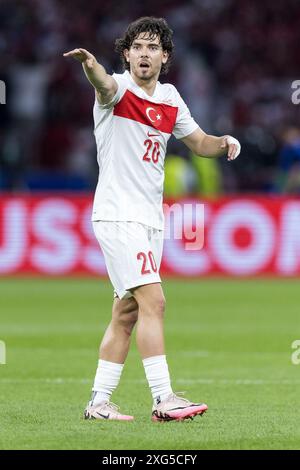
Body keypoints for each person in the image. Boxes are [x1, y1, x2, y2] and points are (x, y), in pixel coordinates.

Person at [63, 16, 240, 422]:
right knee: (154, 301)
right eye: (137, 47)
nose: (144, 54)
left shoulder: (170, 97)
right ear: (126, 54)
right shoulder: (117, 90)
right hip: (117, 215)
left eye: (152, 47)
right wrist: (91, 66)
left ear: (165, 56)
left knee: (126, 312)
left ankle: (98, 403)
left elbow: (198, 142)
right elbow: (103, 85)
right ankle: (163, 397)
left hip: (150, 221)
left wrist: (225, 142)